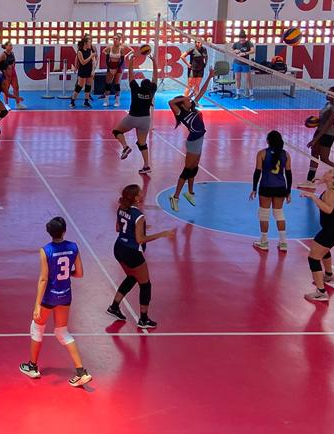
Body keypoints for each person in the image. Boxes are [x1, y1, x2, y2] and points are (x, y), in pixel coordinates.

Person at [19, 217, 92, 387]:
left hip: (49, 297)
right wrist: (67, 275)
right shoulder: (74, 247)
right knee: (62, 332)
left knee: (37, 328)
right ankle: (81, 371)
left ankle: (32, 367)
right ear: (64, 231)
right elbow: (79, 273)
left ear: (49, 233)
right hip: (65, 295)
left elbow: (44, 279)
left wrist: (37, 305)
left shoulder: (46, 250)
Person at [107, 184, 175, 328]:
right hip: (131, 252)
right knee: (145, 284)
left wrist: (140, 228)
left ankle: (114, 307)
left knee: (132, 277)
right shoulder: (139, 216)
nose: (143, 193)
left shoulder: (121, 208)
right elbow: (140, 240)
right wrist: (162, 234)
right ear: (136, 198)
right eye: (140, 192)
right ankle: (143, 319)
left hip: (119, 248)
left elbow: (118, 228)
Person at [167, 69, 216, 211]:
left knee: (194, 168)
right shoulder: (181, 113)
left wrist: (209, 77)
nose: (190, 101)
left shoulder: (192, 107)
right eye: (187, 101)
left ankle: (190, 192)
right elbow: (171, 102)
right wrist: (185, 97)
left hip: (199, 140)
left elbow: (202, 91)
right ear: (182, 104)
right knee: (187, 170)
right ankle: (175, 197)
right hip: (193, 142)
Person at [301, 167, 334, 302]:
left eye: (329, 172)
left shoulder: (331, 191)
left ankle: (321, 292)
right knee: (323, 248)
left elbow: (328, 209)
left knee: (313, 257)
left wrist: (313, 196)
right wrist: (322, 181)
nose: (326, 172)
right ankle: (328, 275)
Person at [112, 49, 159, 174]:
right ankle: (146, 165)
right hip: (145, 120)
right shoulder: (152, 91)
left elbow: (131, 74)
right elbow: (155, 76)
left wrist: (131, 61)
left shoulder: (135, 89)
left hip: (133, 117)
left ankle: (125, 147)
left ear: (141, 85)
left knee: (117, 131)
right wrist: (154, 62)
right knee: (142, 143)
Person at [250, 130, 292, 252]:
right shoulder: (286, 154)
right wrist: (288, 191)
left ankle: (264, 242)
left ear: (268, 141)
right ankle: (283, 243)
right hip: (280, 187)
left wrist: (254, 188)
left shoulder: (262, 153)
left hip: (266, 187)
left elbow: (257, 172)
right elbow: (289, 174)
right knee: (279, 213)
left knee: (264, 214)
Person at [305, 87, 334, 183]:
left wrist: (314, 140)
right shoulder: (327, 104)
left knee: (324, 159)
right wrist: (313, 122)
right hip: (319, 132)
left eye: (329, 93)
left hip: (327, 135)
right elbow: (322, 120)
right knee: (314, 155)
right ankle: (309, 181)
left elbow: (327, 126)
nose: (327, 94)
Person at [102, 33, 133, 108]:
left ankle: (117, 101)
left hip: (118, 66)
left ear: (119, 40)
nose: (115, 40)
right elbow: (107, 58)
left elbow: (122, 60)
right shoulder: (109, 47)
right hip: (110, 65)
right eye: (114, 39)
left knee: (117, 84)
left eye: (116, 39)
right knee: (108, 83)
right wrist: (109, 67)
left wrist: (117, 68)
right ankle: (106, 101)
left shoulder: (121, 48)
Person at [0, 41, 25, 109]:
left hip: (13, 73)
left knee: (16, 88)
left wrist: (12, 67)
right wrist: (4, 71)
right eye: (9, 45)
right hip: (6, 74)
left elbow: (14, 61)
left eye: (11, 45)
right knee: (6, 89)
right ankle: (6, 104)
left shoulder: (12, 53)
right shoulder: (2, 55)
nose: (11, 47)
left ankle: (18, 104)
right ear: (6, 46)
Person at [69, 35, 96, 108]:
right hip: (83, 70)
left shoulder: (90, 50)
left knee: (88, 86)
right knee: (80, 86)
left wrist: (93, 70)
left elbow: (93, 62)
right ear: (85, 43)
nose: (90, 44)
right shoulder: (79, 52)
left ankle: (86, 102)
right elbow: (83, 62)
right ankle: (72, 100)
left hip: (89, 69)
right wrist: (91, 56)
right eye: (89, 42)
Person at [231, 30, 255, 100]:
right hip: (237, 63)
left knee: (248, 79)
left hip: (245, 63)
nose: (242, 42)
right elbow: (231, 50)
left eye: (243, 40)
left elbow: (253, 51)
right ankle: (238, 94)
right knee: (237, 78)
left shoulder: (249, 43)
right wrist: (235, 51)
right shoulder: (236, 44)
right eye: (241, 40)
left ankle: (251, 94)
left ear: (245, 38)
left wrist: (245, 53)